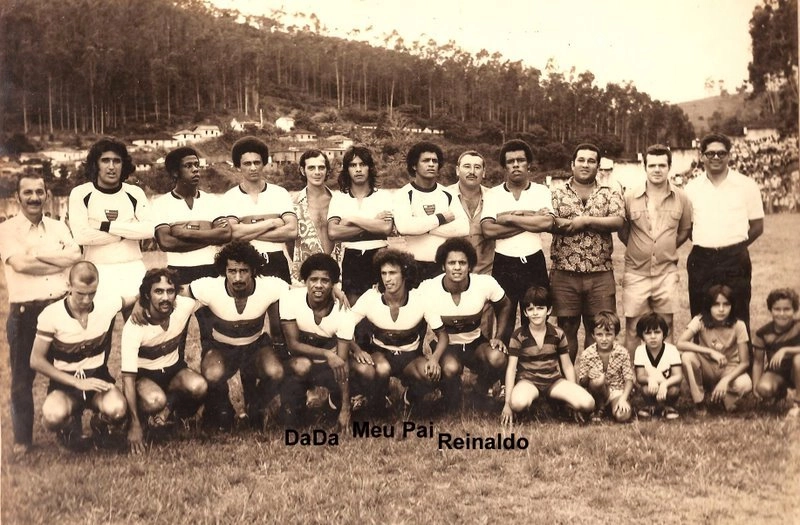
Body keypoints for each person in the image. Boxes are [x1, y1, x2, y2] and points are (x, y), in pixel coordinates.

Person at [0, 174, 81, 454]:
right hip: (25, 313)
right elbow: (20, 265)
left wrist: (37, 255)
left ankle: (67, 433)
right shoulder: (7, 230)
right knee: (22, 378)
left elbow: (74, 257)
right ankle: (23, 441)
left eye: (39, 192)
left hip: (59, 308)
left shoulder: (60, 227)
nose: (34, 197)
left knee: (62, 372)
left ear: (47, 195)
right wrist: (53, 260)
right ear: (17, 197)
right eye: (28, 193)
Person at [30, 262, 135, 450]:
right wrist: (77, 383)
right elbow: (36, 360)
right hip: (65, 384)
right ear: (69, 286)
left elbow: (134, 298)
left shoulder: (107, 304)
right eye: (80, 293)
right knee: (52, 416)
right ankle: (67, 428)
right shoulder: (51, 314)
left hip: (97, 379)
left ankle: (99, 423)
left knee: (118, 410)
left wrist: (143, 307)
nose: (86, 300)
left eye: (92, 293)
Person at [188, 240, 288, 430]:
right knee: (212, 373)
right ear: (224, 271)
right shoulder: (209, 287)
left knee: (276, 372)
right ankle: (224, 408)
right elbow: (176, 291)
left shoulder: (270, 286)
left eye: (244, 271)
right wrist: (139, 301)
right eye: (232, 271)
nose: (238, 277)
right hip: (221, 347)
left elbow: (301, 291)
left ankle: (255, 405)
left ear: (254, 271)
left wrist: (334, 288)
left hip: (255, 346)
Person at [346, 248, 448, 413]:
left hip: (410, 357)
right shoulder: (371, 297)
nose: (387, 279)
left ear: (405, 274)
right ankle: (378, 399)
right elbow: (343, 326)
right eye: (384, 273)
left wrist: (434, 359)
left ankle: (410, 398)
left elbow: (443, 336)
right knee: (381, 369)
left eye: (392, 273)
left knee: (431, 375)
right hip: (381, 355)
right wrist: (356, 349)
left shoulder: (420, 298)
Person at [151, 146, 232, 353]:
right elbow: (166, 243)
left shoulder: (213, 201)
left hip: (210, 272)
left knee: (212, 335)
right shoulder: (161, 204)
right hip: (178, 272)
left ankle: (215, 385)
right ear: (175, 172)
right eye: (189, 166)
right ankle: (177, 379)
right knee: (176, 334)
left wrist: (186, 233)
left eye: (197, 165)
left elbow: (225, 235)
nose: (196, 170)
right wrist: (209, 236)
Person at [550, 143, 625, 362]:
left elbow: (618, 221)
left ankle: (593, 381)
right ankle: (566, 381)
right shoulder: (556, 193)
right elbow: (549, 221)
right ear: (572, 164)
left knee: (599, 328)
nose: (586, 164)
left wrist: (586, 221)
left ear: (598, 166)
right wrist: (581, 223)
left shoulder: (610, 192)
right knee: (566, 328)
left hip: (599, 272)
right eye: (581, 160)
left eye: (591, 161)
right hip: (565, 272)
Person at [419, 238, 513, 411]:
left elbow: (505, 304)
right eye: (451, 263)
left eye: (462, 263)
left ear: (470, 266)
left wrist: (498, 337)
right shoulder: (429, 288)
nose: (457, 267)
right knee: (450, 369)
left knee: (497, 357)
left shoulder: (484, 283)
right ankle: (450, 392)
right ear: (442, 266)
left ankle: (481, 387)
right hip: (446, 345)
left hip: (474, 342)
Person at [120, 268, 208, 453]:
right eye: (158, 291)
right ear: (146, 294)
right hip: (144, 377)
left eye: (170, 291)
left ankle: (168, 413)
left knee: (198, 386)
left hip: (173, 370)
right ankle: (140, 420)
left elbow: (212, 293)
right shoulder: (135, 325)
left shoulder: (183, 305)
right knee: (154, 400)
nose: (165, 297)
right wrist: (134, 425)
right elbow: (127, 378)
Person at [685, 133, 764, 331]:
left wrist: (736, 247)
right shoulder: (691, 188)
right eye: (710, 153)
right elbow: (688, 228)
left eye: (721, 153)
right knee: (700, 314)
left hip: (735, 258)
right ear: (702, 156)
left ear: (729, 155)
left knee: (738, 312)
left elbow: (757, 226)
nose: (716, 158)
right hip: (701, 259)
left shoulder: (746, 185)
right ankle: (702, 359)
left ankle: (743, 360)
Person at [618, 144, 692, 355]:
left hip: (666, 273)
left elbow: (684, 231)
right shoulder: (630, 197)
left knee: (665, 326)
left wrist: (664, 249)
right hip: (635, 273)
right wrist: (641, 248)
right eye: (652, 165)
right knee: (633, 328)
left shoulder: (682, 198)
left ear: (670, 167)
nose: (657, 170)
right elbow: (624, 232)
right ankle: (633, 378)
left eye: (662, 165)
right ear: (645, 167)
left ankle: (665, 377)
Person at [68, 137, 154, 307]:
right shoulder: (80, 193)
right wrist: (125, 233)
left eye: (117, 161)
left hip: (132, 268)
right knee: (101, 330)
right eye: (105, 160)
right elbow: (81, 236)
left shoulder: (134, 193)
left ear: (124, 165)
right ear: (95, 164)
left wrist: (104, 225)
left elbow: (149, 229)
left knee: (139, 326)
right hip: (97, 269)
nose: (111, 166)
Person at [481, 140, 553, 342]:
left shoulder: (541, 191)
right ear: (504, 166)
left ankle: (531, 368)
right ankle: (504, 371)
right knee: (505, 321)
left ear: (529, 164)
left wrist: (509, 217)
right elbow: (488, 229)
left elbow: (546, 223)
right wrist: (530, 217)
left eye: (521, 160)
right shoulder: (494, 194)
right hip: (504, 262)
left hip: (534, 261)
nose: (516, 165)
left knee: (535, 320)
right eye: (510, 161)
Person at [500, 286, 595, 426]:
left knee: (588, 403)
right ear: (525, 313)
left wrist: (573, 397)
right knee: (518, 404)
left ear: (549, 310)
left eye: (540, 308)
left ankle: (556, 401)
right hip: (528, 381)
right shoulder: (518, 335)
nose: (535, 313)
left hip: (553, 381)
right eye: (530, 309)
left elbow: (567, 366)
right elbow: (511, 370)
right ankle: (533, 403)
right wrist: (507, 403)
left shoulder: (558, 334)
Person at [279, 254, 353, 429]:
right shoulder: (290, 299)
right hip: (298, 361)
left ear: (333, 284)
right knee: (301, 366)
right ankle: (291, 403)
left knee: (343, 374)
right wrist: (327, 353)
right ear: (305, 281)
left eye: (325, 280)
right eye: (313, 279)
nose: (318, 285)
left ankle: (335, 403)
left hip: (325, 367)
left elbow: (341, 363)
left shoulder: (343, 312)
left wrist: (345, 408)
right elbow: (293, 345)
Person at [221, 136, 297, 283]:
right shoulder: (230, 197)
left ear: (264, 164)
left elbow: (292, 231)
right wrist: (272, 223)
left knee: (280, 305)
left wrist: (246, 229)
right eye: (247, 164)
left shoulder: (280, 193)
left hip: (277, 260)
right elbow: (232, 233)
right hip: (244, 263)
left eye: (257, 162)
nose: (253, 168)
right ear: (238, 166)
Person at [392, 141, 468, 280]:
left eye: (435, 161)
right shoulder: (403, 194)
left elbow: (463, 228)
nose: (432, 164)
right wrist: (440, 219)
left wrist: (423, 227)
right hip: (414, 265)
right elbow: (404, 226)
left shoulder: (448, 194)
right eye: (426, 160)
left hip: (443, 267)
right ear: (414, 165)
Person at [327, 145, 393, 305]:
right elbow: (334, 232)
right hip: (351, 257)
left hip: (379, 255)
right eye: (353, 165)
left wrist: (351, 220)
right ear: (347, 169)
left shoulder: (383, 196)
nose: (358, 169)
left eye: (362, 164)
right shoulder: (339, 198)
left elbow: (385, 228)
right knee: (354, 310)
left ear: (369, 167)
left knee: (380, 306)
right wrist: (372, 223)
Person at [677, 284, 751, 415]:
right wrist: (710, 351)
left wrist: (725, 380)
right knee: (687, 357)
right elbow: (680, 343)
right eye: (716, 304)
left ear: (732, 306)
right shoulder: (700, 320)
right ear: (709, 306)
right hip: (707, 367)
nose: (721, 309)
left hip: (729, 368)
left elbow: (745, 362)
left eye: (726, 304)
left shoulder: (739, 325)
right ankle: (699, 401)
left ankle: (723, 396)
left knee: (745, 384)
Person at [290, 149, 340, 284]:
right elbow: (287, 243)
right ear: (302, 170)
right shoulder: (292, 204)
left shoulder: (340, 202)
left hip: (339, 275)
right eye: (311, 168)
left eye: (321, 167)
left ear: (327, 170)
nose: (317, 172)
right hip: (305, 277)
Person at [576, 310, 634, 423]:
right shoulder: (587, 354)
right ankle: (598, 408)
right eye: (599, 334)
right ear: (593, 335)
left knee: (623, 416)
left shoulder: (622, 352)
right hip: (596, 393)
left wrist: (623, 399)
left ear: (615, 334)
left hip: (616, 392)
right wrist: (588, 376)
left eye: (608, 334)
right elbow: (582, 382)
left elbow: (629, 379)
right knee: (598, 379)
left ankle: (612, 407)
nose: (604, 339)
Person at [752, 288, 800, 417]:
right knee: (764, 388)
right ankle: (780, 393)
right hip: (778, 371)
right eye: (777, 309)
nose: (782, 313)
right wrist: (755, 386)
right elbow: (758, 362)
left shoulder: (798, 325)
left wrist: (786, 350)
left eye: (787, 309)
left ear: (794, 310)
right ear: (770, 310)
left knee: (798, 359)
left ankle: (798, 404)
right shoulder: (763, 333)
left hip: (797, 369)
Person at [633, 312, 683, 420]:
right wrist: (650, 379)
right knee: (645, 389)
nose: (653, 337)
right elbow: (640, 377)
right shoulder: (640, 351)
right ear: (641, 335)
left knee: (674, 390)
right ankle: (651, 406)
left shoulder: (671, 350)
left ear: (664, 334)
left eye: (657, 332)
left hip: (668, 385)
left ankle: (669, 406)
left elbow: (678, 376)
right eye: (648, 333)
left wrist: (665, 384)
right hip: (652, 386)